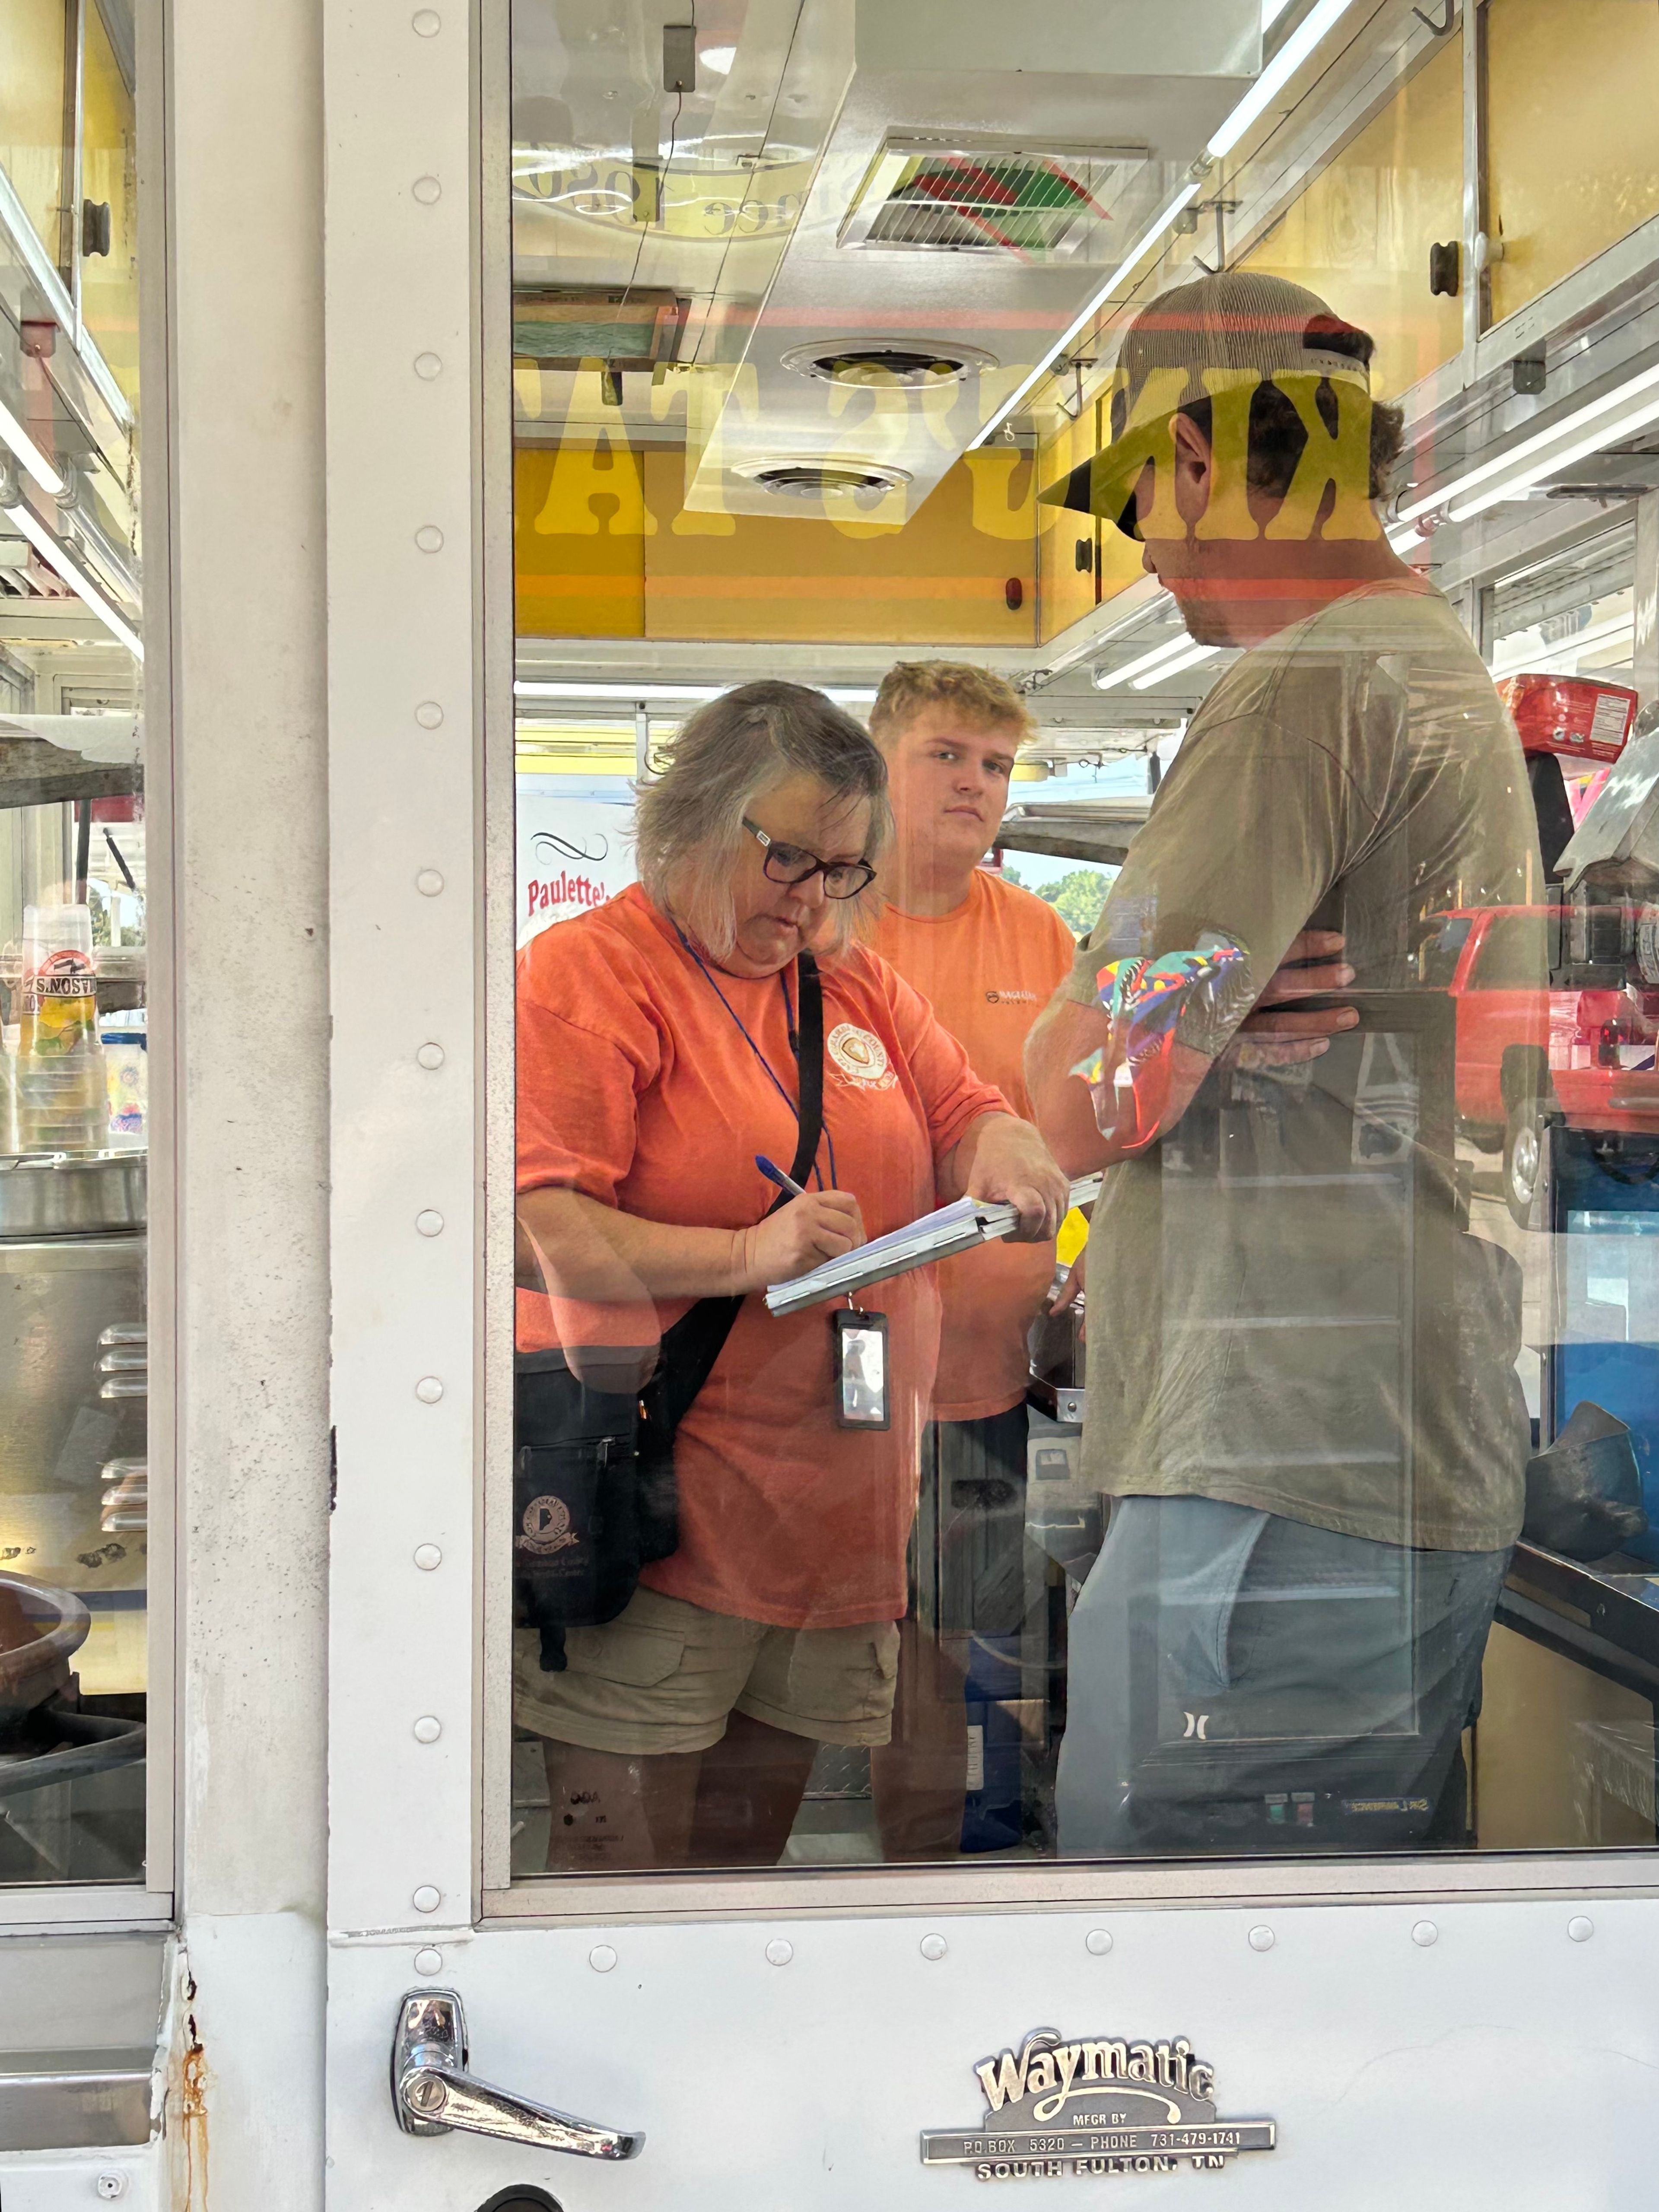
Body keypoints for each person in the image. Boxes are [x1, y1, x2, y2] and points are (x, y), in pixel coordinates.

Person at [1026, 270, 1541, 1856]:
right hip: (1388, 1457)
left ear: (1190, 458)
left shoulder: (1299, 694)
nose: (1148, 548)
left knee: (1169, 2038)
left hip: (1267, 1482)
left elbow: (1088, 1095)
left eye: (1135, 501)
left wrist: (1098, 1030)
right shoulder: (1437, 673)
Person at [514, 679, 1070, 1872]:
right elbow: (531, 1220)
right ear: (688, 818)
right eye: (789, 860)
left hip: (834, 1532)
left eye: (842, 871)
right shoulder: (590, 976)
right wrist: (745, 1257)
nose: (815, 899)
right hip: (665, 1522)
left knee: (743, 1894)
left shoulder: (847, 981)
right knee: (627, 1902)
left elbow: (964, 1104)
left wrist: (1010, 1151)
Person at [863, 661, 1077, 1857]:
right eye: (947, 755)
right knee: (849, 1647)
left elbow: (1073, 1130)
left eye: (995, 766)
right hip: (829, 1386)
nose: (975, 785)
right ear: (880, 761)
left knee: (965, 1645)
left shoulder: (1037, 933)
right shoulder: (826, 929)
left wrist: (1084, 1270)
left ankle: (950, 1877)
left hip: (988, 1382)